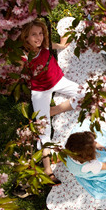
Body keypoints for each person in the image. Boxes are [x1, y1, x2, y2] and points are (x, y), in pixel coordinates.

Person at [20, 19, 84, 184]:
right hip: (40, 90)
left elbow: (57, 46)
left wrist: (62, 44)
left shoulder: (45, 45)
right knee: (43, 129)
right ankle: (48, 169)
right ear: (26, 37)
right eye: (34, 35)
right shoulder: (25, 56)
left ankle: (56, 110)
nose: (38, 37)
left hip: (58, 80)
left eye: (40, 33)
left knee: (87, 94)